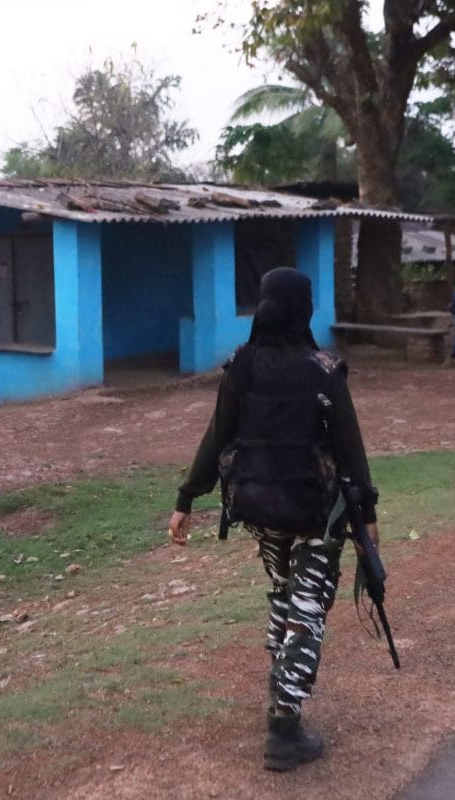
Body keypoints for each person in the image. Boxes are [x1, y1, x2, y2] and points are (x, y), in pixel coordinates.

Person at [168, 267, 379, 772]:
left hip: (260, 510)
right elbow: (350, 448)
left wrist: (186, 499)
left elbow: (216, 435)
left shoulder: (241, 365)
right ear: (303, 309)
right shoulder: (324, 370)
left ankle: (280, 690)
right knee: (307, 607)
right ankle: (284, 728)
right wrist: (368, 514)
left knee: (285, 595)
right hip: (316, 515)